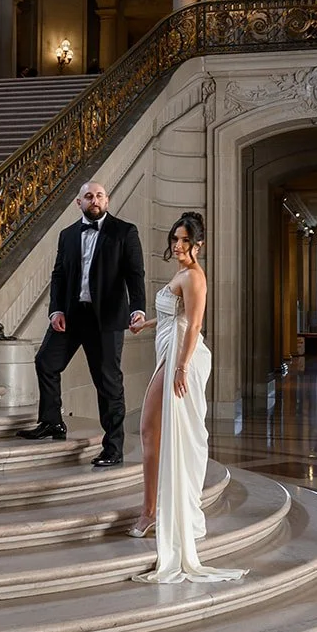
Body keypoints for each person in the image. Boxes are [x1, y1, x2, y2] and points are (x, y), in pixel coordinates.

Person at [129, 212, 247, 584]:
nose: (177, 246)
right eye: (175, 239)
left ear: (199, 245)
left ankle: (153, 512)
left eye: (184, 241)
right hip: (171, 351)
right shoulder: (180, 273)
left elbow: (194, 324)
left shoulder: (195, 276)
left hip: (184, 358)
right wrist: (145, 324)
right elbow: (173, 316)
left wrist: (180, 367)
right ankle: (151, 509)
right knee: (151, 431)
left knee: (154, 428)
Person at [18, 181, 145, 467]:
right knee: (46, 362)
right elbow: (59, 275)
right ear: (79, 203)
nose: (95, 199)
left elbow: (135, 275)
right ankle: (52, 422)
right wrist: (56, 310)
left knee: (108, 383)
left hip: (108, 319)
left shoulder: (125, 231)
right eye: (88, 196)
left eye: (100, 195)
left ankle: (113, 448)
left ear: (107, 201)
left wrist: (137, 309)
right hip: (72, 315)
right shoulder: (68, 235)